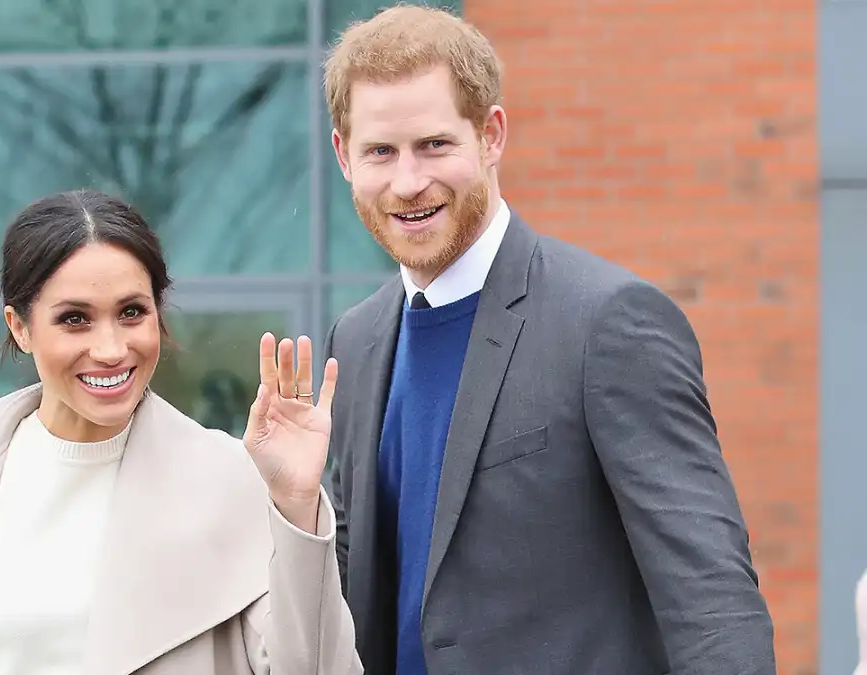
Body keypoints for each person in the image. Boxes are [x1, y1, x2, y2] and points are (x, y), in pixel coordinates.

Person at [321, 5, 775, 674]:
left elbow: (711, 598)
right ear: (343, 155)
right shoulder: (355, 343)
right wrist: (292, 504)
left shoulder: (607, 322)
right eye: (381, 152)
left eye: (435, 145)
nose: (408, 182)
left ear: (491, 135)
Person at [0, 189, 363, 675]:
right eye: (74, 319)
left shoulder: (229, 477)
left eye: (132, 312)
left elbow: (314, 668)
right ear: (20, 326)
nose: (110, 348)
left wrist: (295, 502)